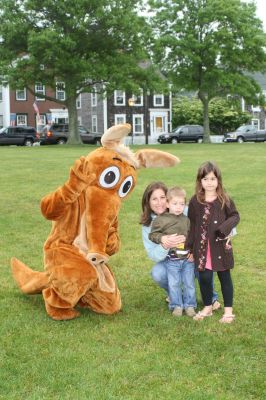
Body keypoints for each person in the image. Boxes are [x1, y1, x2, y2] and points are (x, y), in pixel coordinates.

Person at [140, 181, 220, 311]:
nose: (159, 202)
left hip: (189, 253)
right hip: (169, 259)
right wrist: (164, 244)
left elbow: (203, 227)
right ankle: (175, 296)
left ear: (168, 199)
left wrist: (194, 251)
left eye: (162, 197)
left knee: (202, 261)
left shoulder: (183, 210)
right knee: (157, 273)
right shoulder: (149, 224)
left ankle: (211, 297)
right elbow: (153, 255)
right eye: (154, 199)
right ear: (148, 202)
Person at [186, 161, 240, 323]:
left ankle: (228, 311)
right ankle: (208, 307)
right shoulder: (195, 201)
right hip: (202, 248)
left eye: (212, 179)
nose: (209, 183)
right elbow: (192, 225)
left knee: (225, 277)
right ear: (200, 181)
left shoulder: (224, 199)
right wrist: (189, 248)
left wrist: (224, 229)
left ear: (218, 180)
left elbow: (235, 216)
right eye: (205, 179)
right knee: (204, 278)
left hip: (220, 246)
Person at [149, 187, 196, 317]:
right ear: (168, 204)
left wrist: (193, 252)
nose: (178, 207)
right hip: (172, 260)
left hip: (187, 259)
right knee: (174, 284)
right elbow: (153, 235)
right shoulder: (161, 220)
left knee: (189, 283)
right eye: (175, 204)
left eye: (181, 204)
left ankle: (190, 305)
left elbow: (192, 237)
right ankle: (176, 306)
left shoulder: (186, 220)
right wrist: (162, 239)